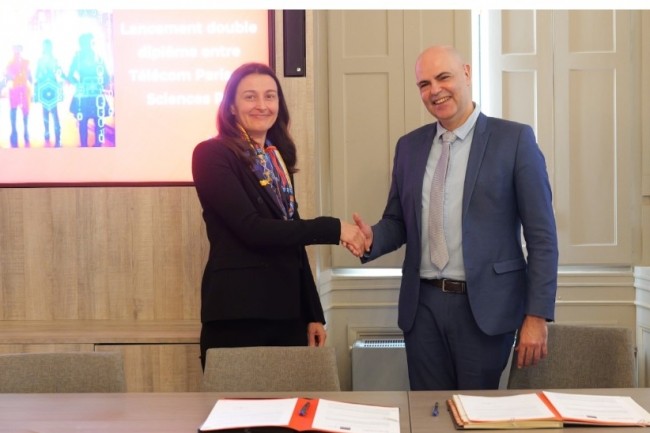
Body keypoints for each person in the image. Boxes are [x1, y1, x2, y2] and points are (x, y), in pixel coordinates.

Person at [352, 45, 558, 390]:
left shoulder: (515, 140)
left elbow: (542, 237)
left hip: (485, 309)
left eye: (443, 77)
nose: (434, 90)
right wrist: (371, 238)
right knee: (428, 415)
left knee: (477, 417)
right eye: (424, 84)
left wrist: (536, 315)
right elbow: (398, 222)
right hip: (423, 309)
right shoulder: (409, 147)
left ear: (466, 73)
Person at [192, 62, 366, 369]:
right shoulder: (211, 154)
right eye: (250, 97)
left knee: (288, 414)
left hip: (287, 314)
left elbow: (292, 238)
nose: (262, 105)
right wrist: (334, 228)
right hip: (239, 314)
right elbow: (252, 229)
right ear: (231, 107)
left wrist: (312, 313)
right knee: (238, 415)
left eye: (270, 96)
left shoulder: (276, 159)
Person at [67, 33, 111, 147]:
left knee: (83, 121)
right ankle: (97, 145)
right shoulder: (97, 57)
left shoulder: (78, 57)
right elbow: (106, 76)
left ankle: (85, 146)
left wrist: (79, 84)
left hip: (83, 95)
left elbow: (70, 76)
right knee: (98, 120)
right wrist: (100, 84)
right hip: (95, 93)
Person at [35, 38, 65, 147]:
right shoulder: (53, 59)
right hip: (51, 85)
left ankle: (48, 133)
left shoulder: (41, 60)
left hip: (45, 86)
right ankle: (57, 136)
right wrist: (66, 78)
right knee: (53, 111)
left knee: (46, 111)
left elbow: (37, 74)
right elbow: (59, 71)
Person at [5, 44, 32, 148]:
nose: (17, 52)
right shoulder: (10, 63)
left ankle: (24, 131)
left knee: (24, 111)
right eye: (15, 50)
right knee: (14, 110)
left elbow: (30, 75)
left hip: (22, 88)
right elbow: (7, 75)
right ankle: (15, 132)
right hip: (15, 88)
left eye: (18, 50)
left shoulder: (25, 62)